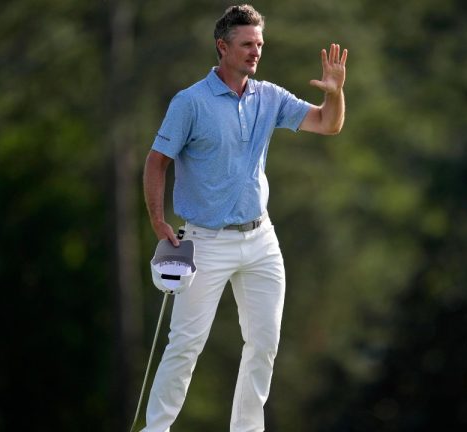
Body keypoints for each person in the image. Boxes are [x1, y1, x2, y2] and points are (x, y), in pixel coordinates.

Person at [141, 4, 347, 431]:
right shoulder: (190, 102)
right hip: (204, 242)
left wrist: (335, 91)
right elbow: (156, 161)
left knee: (264, 345)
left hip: (260, 241)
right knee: (185, 345)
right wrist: (159, 222)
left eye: (260, 44)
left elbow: (328, 124)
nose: (256, 52)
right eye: (247, 44)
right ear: (222, 47)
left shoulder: (269, 96)